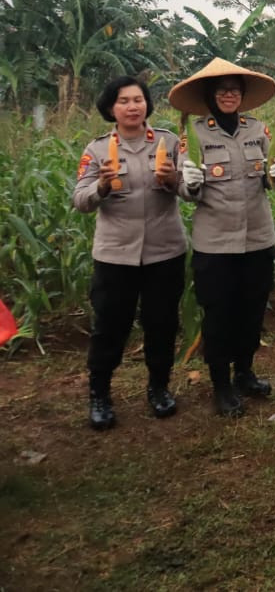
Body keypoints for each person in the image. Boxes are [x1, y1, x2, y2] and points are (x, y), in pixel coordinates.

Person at [171, 58, 275, 417]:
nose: (228, 94)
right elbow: (184, 188)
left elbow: (266, 180)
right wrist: (187, 185)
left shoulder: (258, 130)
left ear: (242, 94)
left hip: (257, 238)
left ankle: (245, 373)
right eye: (221, 89)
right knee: (219, 314)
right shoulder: (192, 135)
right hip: (216, 243)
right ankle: (220, 384)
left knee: (252, 311)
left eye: (235, 89)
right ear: (209, 94)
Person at [73, 76, 186, 429]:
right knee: (110, 326)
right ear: (111, 108)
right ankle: (100, 394)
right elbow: (80, 201)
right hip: (115, 256)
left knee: (162, 324)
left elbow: (192, 190)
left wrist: (172, 180)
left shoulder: (168, 142)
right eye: (124, 101)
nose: (133, 106)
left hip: (164, 251)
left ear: (147, 105)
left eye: (139, 100)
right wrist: (102, 186)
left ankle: (158, 388)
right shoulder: (96, 149)